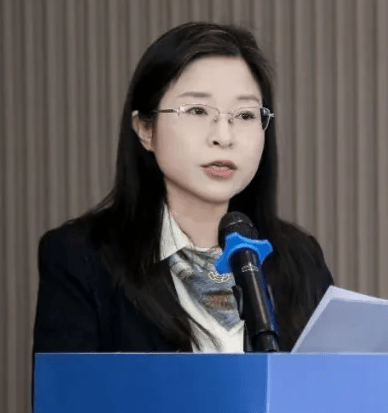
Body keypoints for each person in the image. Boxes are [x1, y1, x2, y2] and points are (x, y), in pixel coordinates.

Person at [32, 21, 333, 382]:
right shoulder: (81, 258)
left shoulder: (300, 257)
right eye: (197, 111)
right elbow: (66, 398)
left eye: (245, 115)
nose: (224, 136)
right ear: (145, 129)